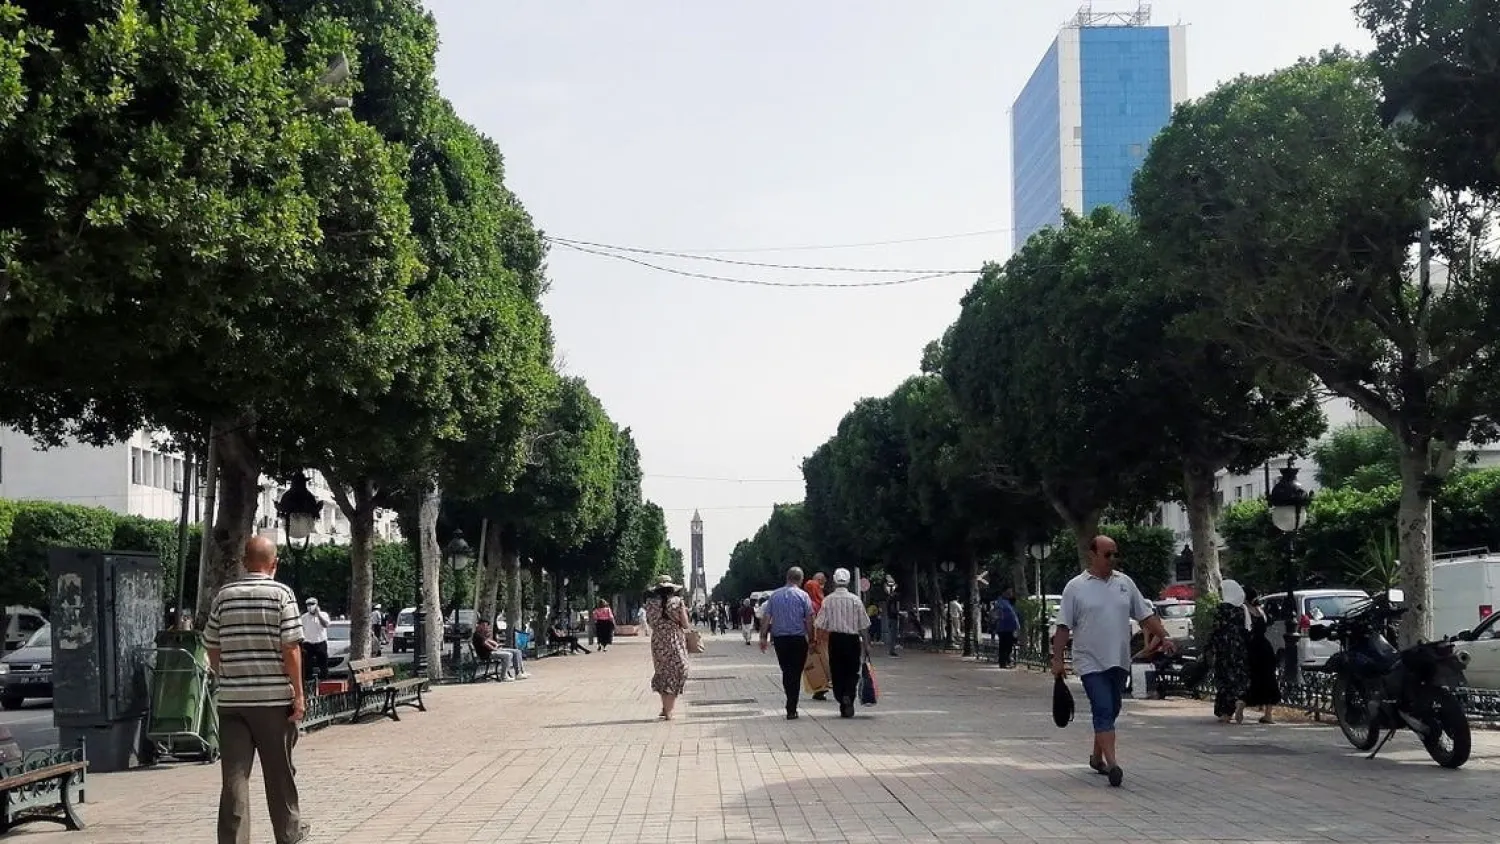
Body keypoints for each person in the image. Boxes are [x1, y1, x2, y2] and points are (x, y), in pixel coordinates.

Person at [203, 536, 309, 844]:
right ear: (274, 563)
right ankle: (289, 834)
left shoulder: (225, 596)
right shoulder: (281, 595)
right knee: (279, 775)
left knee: (235, 778)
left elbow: (211, 643)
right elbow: (291, 648)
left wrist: (226, 674)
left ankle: (234, 839)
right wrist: (298, 695)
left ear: (244, 561)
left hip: (233, 701)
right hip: (273, 701)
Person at [1051, 535, 1173, 788]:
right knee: (1103, 707)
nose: (1113, 559)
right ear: (1092, 555)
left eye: (1116, 554)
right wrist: (1057, 660)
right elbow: (1063, 627)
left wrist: (1164, 636)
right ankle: (1113, 764)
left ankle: (1096, 757)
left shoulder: (1125, 583)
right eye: (1108, 555)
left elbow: (1145, 615)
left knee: (1112, 707)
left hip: (1118, 659)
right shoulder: (1076, 587)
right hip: (1089, 661)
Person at [814, 568, 871, 718]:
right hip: (852, 640)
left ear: (834, 581)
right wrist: (866, 644)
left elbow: (820, 624)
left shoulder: (828, 600)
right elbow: (864, 625)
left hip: (835, 640)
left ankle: (841, 697)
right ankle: (848, 696)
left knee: (837, 671)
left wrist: (817, 642)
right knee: (852, 671)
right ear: (848, 581)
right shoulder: (855, 600)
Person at [760, 567, 816, 720]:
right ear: (800, 579)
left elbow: (766, 618)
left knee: (786, 670)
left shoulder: (775, 596)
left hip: (780, 640)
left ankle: (790, 700)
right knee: (796, 672)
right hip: (798, 639)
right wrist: (812, 639)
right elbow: (810, 620)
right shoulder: (803, 596)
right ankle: (792, 704)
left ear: (787, 578)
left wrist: (763, 637)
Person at [1206, 579, 1252, 724]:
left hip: (1224, 647)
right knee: (1238, 676)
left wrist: (1210, 648)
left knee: (1225, 677)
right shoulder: (1241, 609)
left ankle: (1226, 712)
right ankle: (1239, 700)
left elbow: (1216, 629)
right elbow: (1247, 629)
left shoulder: (1222, 608)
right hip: (1239, 647)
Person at [646, 575, 690, 720]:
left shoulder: (650, 603)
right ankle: (669, 710)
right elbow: (685, 624)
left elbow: (651, 623)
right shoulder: (678, 602)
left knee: (663, 672)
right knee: (678, 670)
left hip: (658, 641)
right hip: (674, 639)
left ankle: (666, 708)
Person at [1242, 585, 1281, 723]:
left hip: (1252, 647)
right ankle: (1268, 714)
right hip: (1265, 646)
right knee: (1269, 678)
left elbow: (1245, 629)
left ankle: (1241, 704)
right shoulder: (1261, 610)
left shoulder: (1244, 610)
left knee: (1251, 677)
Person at [299, 598, 331, 683]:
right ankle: (308, 681)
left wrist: (318, 615)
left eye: (312, 604)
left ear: (316, 605)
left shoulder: (323, 614)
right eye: (308, 605)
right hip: (308, 643)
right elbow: (301, 629)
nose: (310, 607)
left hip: (320, 642)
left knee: (323, 663)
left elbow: (326, 625)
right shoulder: (304, 617)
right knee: (307, 664)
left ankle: (324, 680)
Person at [992, 586, 1020, 668]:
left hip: (1010, 628)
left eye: (1011, 592)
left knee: (1009, 645)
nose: (1010, 594)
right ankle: (1003, 662)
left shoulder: (1008, 602)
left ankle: (1006, 661)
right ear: (1004, 593)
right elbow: (997, 614)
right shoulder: (1000, 602)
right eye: (1008, 592)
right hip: (1004, 628)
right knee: (1005, 646)